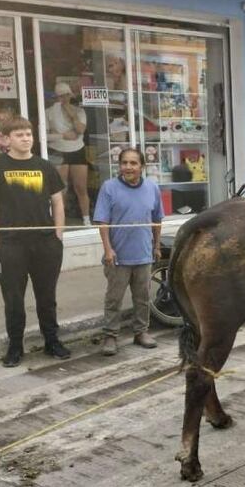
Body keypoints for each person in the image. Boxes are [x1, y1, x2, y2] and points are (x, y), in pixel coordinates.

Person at [0, 116, 72, 367]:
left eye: (28, 134)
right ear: (6, 139)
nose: (25, 138)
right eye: (19, 134)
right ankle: (15, 346)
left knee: (47, 296)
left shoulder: (45, 166)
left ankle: (52, 341)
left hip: (45, 243)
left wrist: (58, 236)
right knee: (13, 298)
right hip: (11, 245)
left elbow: (58, 202)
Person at [94, 147, 163, 356]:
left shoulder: (152, 187)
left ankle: (141, 332)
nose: (128, 167)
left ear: (142, 166)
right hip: (118, 256)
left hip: (143, 253)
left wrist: (157, 245)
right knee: (114, 298)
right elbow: (103, 222)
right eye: (124, 163)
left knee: (142, 297)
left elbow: (157, 219)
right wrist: (108, 250)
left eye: (133, 163)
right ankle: (110, 335)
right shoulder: (109, 188)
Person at [45, 81, 92, 226]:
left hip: (77, 150)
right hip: (59, 150)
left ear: (70, 95)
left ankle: (86, 219)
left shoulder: (79, 111)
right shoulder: (49, 112)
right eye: (60, 96)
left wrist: (72, 114)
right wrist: (62, 136)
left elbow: (80, 130)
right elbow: (44, 136)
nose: (63, 98)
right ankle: (60, 221)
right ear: (56, 97)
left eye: (66, 95)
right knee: (61, 188)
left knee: (81, 187)